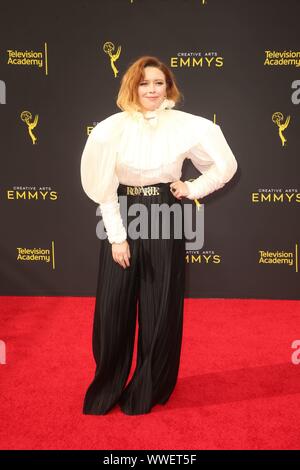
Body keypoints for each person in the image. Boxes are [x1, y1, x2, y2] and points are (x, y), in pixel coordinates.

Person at [80, 55, 238, 415]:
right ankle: (107, 386)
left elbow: (224, 166)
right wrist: (117, 237)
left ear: (168, 87)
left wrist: (194, 188)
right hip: (123, 210)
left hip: (166, 214)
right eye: (144, 83)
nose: (152, 90)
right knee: (112, 307)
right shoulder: (110, 129)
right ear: (132, 87)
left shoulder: (186, 125)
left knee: (160, 304)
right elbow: (104, 188)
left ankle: (148, 387)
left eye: (159, 83)